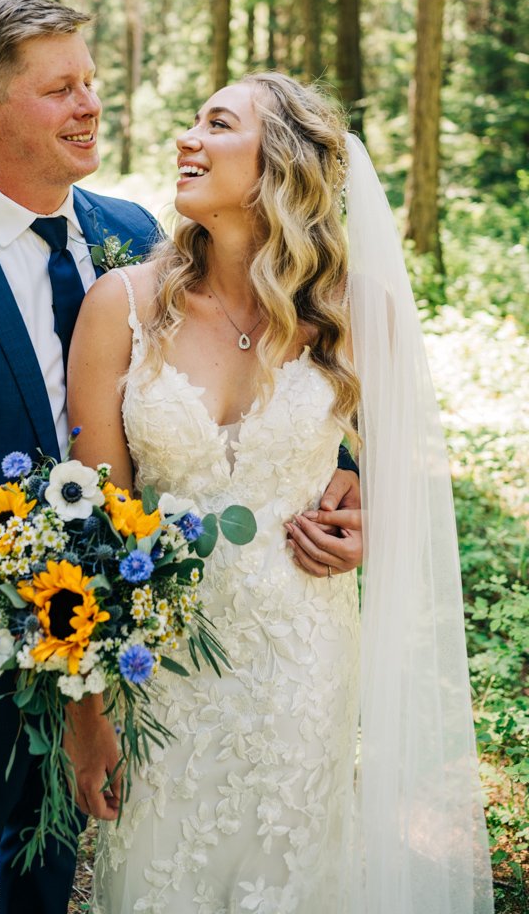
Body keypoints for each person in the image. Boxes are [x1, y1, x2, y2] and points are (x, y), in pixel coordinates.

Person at [0, 0, 361, 914]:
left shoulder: (140, 241)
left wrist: (349, 482)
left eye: (92, 82)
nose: (91, 105)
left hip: (152, 659)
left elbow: (277, 376)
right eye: (62, 89)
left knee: (54, 885)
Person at [65, 73, 493, 914]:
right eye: (191, 122)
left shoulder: (356, 311)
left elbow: (403, 474)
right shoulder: (121, 307)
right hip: (165, 669)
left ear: (279, 167)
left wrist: (367, 518)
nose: (187, 138)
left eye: (217, 124)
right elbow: (93, 534)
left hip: (301, 661)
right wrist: (89, 716)